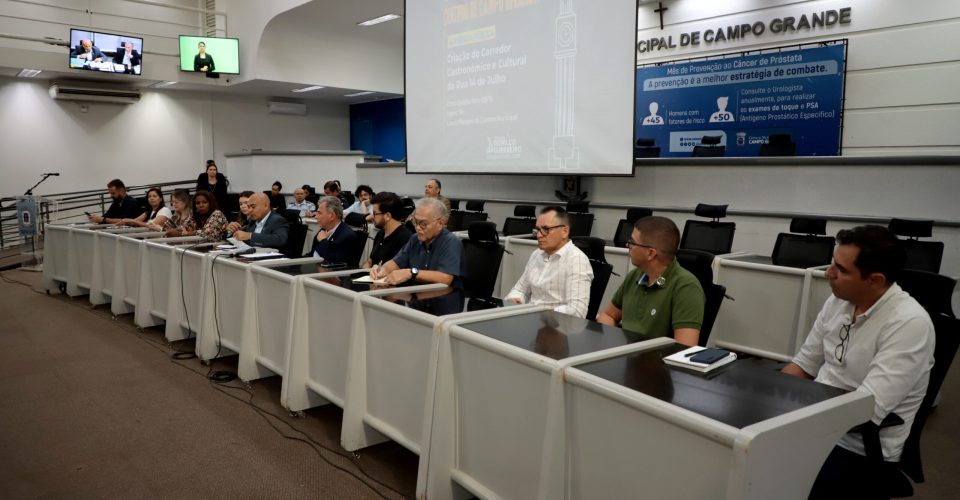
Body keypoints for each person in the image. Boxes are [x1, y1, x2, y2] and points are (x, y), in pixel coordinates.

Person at [781, 226, 934, 498]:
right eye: (832, 264)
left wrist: (797, 418)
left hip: (858, 445)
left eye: (841, 269)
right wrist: (768, 403)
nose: (829, 273)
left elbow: (865, 409)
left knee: (773, 479)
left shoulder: (909, 324)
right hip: (816, 422)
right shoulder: (839, 301)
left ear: (874, 280)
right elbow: (804, 365)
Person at [597, 216, 704, 346]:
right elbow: (608, 315)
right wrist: (612, 344)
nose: (627, 245)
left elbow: (684, 348)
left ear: (651, 253)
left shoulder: (686, 287)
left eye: (632, 242)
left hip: (655, 362)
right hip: (625, 357)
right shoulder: (635, 276)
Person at [504, 206, 593, 318]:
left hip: (557, 327)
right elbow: (519, 289)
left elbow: (577, 311)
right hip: (531, 321)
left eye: (546, 229)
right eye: (537, 229)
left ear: (564, 231)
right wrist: (516, 299)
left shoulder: (577, 260)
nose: (539, 235)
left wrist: (542, 315)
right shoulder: (536, 254)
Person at [370, 197, 464, 288]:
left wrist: (412, 272)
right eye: (415, 222)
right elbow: (395, 263)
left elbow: (446, 278)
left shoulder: (450, 242)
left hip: (442, 299)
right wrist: (381, 270)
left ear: (440, 224)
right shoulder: (415, 239)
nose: (418, 228)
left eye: (423, 224)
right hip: (416, 297)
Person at [361, 192, 412, 268]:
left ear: (387, 216)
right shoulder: (380, 234)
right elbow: (370, 261)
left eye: (375, 213)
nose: (372, 217)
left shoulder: (405, 239)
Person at [307, 196, 358, 264]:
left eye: (319, 213)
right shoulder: (323, 230)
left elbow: (334, 260)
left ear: (331, 216)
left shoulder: (347, 236)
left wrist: (323, 241)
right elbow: (312, 254)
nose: (316, 216)